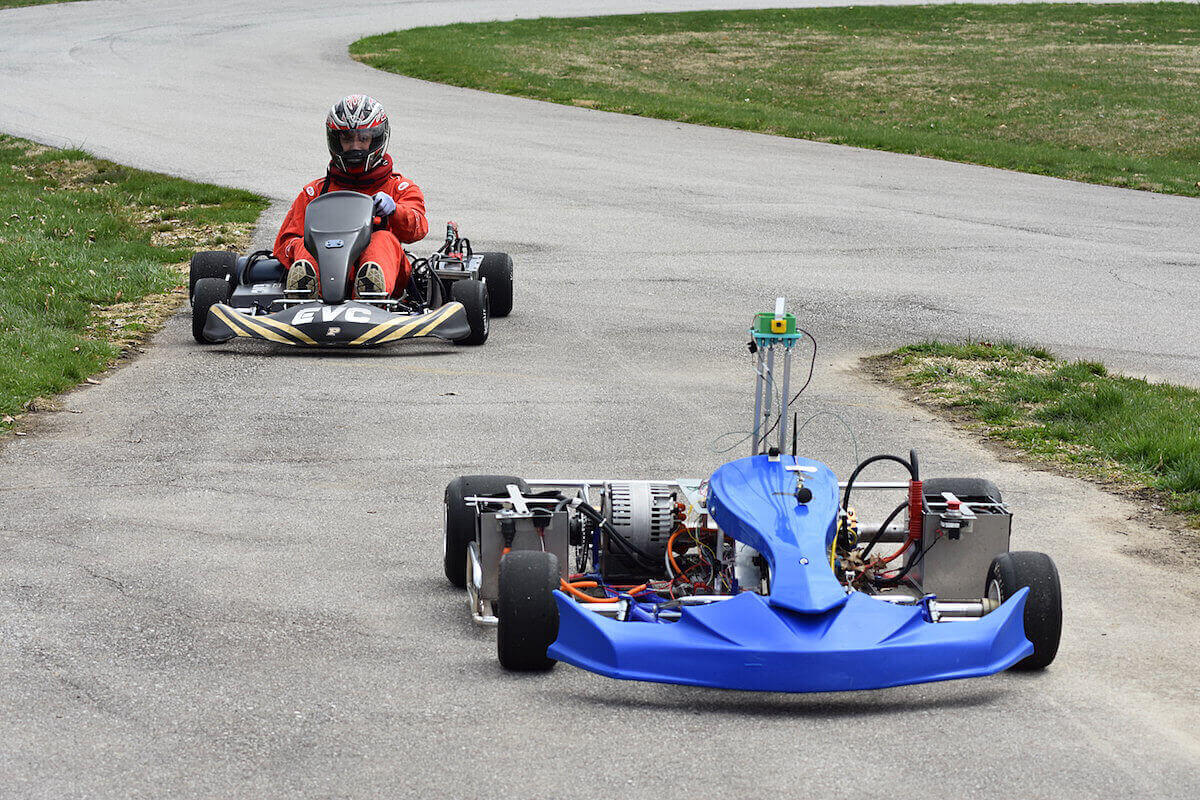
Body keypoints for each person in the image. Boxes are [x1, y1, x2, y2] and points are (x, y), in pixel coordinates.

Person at [273, 94, 428, 299]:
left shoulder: (399, 188)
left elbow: (418, 228)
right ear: (336, 140)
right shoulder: (315, 192)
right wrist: (306, 247)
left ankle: (371, 292)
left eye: (363, 138)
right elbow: (285, 242)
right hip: (326, 278)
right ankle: (305, 291)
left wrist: (395, 212)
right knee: (305, 244)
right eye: (347, 138)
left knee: (382, 238)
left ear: (377, 139)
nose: (355, 146)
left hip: (387, 281)